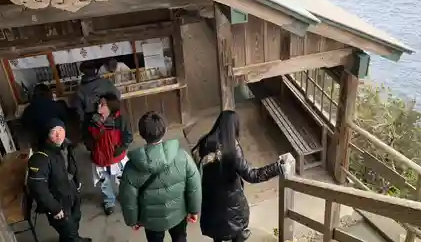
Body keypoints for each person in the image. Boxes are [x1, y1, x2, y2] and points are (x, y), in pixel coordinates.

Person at [192, 110, 284, 242]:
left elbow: (197, 169)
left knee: (217, 229)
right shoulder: (232, 150)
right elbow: (253, 175)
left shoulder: (204, 143)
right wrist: (276, 167)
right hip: (231, 200)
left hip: (210, 198)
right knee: (234, 227)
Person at [119, 112, 201, 242]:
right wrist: (194, 210)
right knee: (180, 238)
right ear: (165, 130)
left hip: (151, 220)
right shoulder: (182, 157)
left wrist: (132, 220)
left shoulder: (132, 167)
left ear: (141, 134)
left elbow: (128, 198)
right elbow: (194, 186)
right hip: (178, 214)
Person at [27, 119, 91, 242]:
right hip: (59, 202)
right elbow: (38, 187)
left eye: (61, 130)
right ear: (46, 134)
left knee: (75, 219)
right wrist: (54, 208)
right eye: (53, 131)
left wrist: (76, 182)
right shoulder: (40, 158)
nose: (59, 134)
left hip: (71, 191)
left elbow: (71, 166)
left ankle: (72, 238)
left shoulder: (66, 146)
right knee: (67, 229)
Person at [83, 93, 132, 215]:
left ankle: (125, 197)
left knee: (122, 179)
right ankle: (109, 201)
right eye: (99, 103)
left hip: (116, 157)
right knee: (104, 181)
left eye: (102, 104)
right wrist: (92, 147)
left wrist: (121, 149)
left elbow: (128, 136)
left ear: (110, 106)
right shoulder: (92, 120)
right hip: (100, 157)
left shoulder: (121, 120)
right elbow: (86, 136)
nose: (99, 106)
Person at [21, 83, 67, 148]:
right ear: (46, 93)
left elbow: (25, 125)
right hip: (58, 138)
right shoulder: (56, 105)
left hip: (41, 142)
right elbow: (65, 119)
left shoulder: (28, 109)